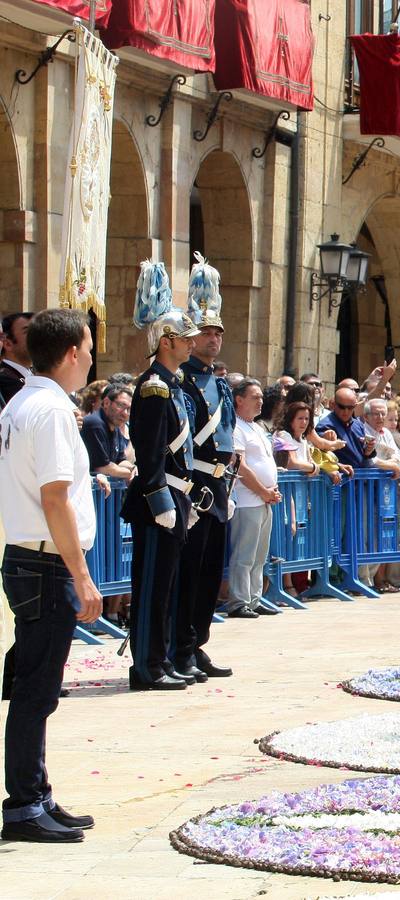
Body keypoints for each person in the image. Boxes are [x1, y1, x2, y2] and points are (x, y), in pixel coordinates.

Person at [0, 309, 101, 843]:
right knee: (36, 690)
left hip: (31, 558)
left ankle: (35, 794)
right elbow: (55, 496)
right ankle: (22, 804)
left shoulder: (25, 400)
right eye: (86, 346)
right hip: (45, 562)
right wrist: (81, 575)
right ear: (68, 354)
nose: (90, 356)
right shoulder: (52, 410)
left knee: (37, 688)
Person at [123, 261, 200, 690]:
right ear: (166, 342)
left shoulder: (172, 385)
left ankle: (161, 658)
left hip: (176, 497)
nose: (191, 345)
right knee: (152, 588)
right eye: (185, 339)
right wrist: (160, 498)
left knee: (166, 587)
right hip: (159, 501)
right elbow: (150, 450)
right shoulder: (154, 386)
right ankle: (146, 667)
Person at [173, 254, 237, 682]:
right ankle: (180, 647)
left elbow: (226, 436)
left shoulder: (219, 381)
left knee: (211, 571)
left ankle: (198, 644)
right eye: (206, 332)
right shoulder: (180, 380)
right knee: (189, 572)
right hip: (194, 485)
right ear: (190, 339)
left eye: (217, 332)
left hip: (219, 487)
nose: (213, 339)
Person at [226, 379, 280, 617]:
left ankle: (254, 598)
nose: (260, 401)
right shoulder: (235, 427)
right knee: (244, 554)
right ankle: (238, 601)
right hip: (247, 500)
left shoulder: (257, 427)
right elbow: (239, 465)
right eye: (254, 397)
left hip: (264, 499)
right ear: (239, 399)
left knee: (260, 555)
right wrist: (262, 490)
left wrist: (271, 490)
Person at [80, 383, 134, 481]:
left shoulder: (115, 426)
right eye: (121, 405)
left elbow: (120, 461)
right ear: (106, 403)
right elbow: (103, 468)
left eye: (129, 409)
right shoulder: (94, 424)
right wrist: (130, 473)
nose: (125, 413)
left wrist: (134, 468)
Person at [318, 386, 375, 470]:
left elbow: (364, 456)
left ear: (355, 406)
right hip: (339, 480)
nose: (346, 411)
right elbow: (319, 456)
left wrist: (368, 451)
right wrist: (324, 442)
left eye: (350, 408)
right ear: (334, 405)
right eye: (342, 407)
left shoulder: (358, 425)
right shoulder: (325, 426)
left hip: (359, 480)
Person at [0, 311, 33, 404]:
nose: (37, 337)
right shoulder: (4, 380)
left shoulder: (37, 373)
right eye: (28, 332)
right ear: (8, 344)